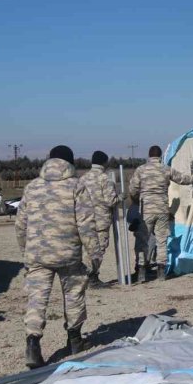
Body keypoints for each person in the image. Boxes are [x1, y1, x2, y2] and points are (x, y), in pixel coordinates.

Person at [16, 145, 98, 368]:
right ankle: (75, 340)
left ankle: (32, 344)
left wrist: (26, 251)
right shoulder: (76, 186)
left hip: (37, 254)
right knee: (74, 294)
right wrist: (95, 254)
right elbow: (86, 225)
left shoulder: (32, 187)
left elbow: (21, 224)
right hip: (68, 254)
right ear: (70, 164)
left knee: (37, 299)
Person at [128, 145, 193, 279]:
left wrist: (136, 200)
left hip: (146, 210)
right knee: (161, 241)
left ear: (149, 155)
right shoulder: (166, 169)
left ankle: (141, 271)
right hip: (162, 209)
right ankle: (161, 271)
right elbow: (183, 179)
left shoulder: (141, 170)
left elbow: (133, 189)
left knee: (142, 241)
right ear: (160, 156)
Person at [77, 150, 122, 288]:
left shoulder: (82, 179)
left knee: (87, 249)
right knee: (99, 250)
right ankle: (92, 278)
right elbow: (110, 201)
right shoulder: (105, 179)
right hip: (100, 221)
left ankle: (84, 277)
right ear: (104, 162)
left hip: (84, 220)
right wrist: (121, 197)